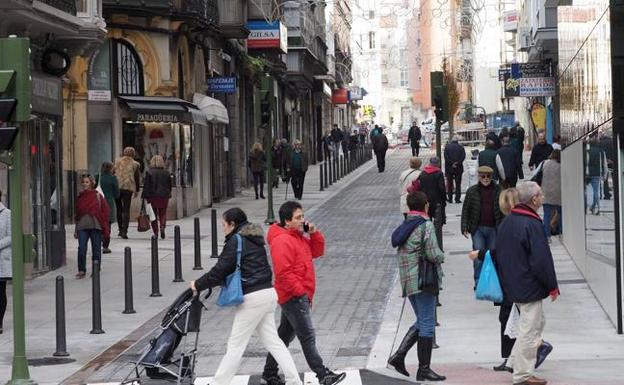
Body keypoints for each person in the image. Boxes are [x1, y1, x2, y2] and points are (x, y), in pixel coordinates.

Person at [189, 208, 302, 385]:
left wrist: (197, 284)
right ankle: (295, 380)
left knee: (235, 345)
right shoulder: (255, 238)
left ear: (232, 224)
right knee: (274, 342)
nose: (223, 228)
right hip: (268, 294)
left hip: (252, 298)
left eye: (224, 225)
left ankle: (219, 382)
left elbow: (220, 270)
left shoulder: (236, 240)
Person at [262, 201, 346, 385]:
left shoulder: (297, 236)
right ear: (286, 221)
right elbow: (283, 273)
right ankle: (322, 374)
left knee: (284, 335)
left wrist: (313, 232)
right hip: (293, 296)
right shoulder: (282, 241)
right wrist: (301, 293)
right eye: (298, 218)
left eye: (302, 216)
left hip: (297, 294)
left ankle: (269, 373)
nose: (302, 220)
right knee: (307, 336)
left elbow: (316, 251)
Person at [495, 181, 559, 385]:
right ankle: (522, 374)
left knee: (534, 324)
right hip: (528, 284)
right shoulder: (532, 223)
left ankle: (514, 362)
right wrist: (552, 285)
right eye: (540, 194)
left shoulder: (509, 221)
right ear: (533, 199)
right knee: (530, 330)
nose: (542, 197)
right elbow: (541, 259)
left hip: (514, 282)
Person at [388, 191, 446, 381]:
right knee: (427, 324)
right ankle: (424, 368)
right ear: (426, 205)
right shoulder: (425, 225)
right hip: (424, 280)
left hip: (409, 280)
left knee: (422, 320)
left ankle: (399, 356)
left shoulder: (406, 224)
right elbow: (433, 253)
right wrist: (442, 256)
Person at [466, 187, 520, 374]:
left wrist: (480, 254)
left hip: (513, 280)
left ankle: (513, 357)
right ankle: (511, 357)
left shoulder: (508, 224)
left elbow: (503, 252)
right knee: (511, 318)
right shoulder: (515, 223)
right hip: (515, 278)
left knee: (509, 318)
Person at [461, 166, 503, 285]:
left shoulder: (498, 190)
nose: (485, 179)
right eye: (483, 176)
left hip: (494, 228)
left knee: (493, 256)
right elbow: (466, 210)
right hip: (477, 228)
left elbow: (503, 209)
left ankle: (491, 280)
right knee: (478, 256)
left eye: (488, 176)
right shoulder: (472, 191)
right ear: (479, 177)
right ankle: (478, 281)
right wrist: (464, 227)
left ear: (492, 177)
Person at [74, 174, 110, 278]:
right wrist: (76, 229)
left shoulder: (98, 196)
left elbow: (105, 211)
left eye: (87, 182)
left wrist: (104, 226)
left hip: (95, 226)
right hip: (82, 226)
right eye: (83, 182)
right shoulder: (80, 197)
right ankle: (81, 270)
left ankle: (96, 269)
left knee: (96, 249)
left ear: (92, 183)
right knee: (81, 248)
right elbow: (77, 213)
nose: (85, 184)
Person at [418, 157, 447, 248]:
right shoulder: (438, 173)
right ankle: (437, 241)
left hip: (425, 200)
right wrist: (444, 199)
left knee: (427, 220)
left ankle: (428, 240)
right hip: (437, 200)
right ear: (438, 164)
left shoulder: (423, 173)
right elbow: (441, 188)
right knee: (439, 221)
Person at [142, 155, 173, 239]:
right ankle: (162, 227)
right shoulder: (166, 172)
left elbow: (146, 186)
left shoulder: (149, 172)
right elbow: (170, 185)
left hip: (152, 196)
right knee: (163, 213)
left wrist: (144, 196)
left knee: (153, 215)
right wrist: (168, 193)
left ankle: (156, 232)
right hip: (164, 196)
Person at [113, 146, 141, 239]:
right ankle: (125, 231)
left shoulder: (117, 162)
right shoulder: (135, 164)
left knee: (119, 209)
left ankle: (120, 229)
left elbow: (113, 173)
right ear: (133, 154)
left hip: (117, 187)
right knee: (126, 210)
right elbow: (137, 178)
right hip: (128, 188)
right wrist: (137, 190)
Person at [96, 162, 120, 253]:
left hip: (98, 203)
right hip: (109, 202)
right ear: (111, 168)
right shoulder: (113, 178)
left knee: (99, 223)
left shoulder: (97, 177)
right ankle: (105, 245)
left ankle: (100, 239)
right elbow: (117, 194)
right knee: (107, 224)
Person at [585, 137, 608, 215]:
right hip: (597, 174)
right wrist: (605, 175)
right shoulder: (601, 152)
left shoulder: (586, 151)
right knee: (596, 191)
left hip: (587, 174)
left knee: (586, 191)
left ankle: (587, 207)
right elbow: (604, 164)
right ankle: (596, 207)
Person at [541, 150, 561, 238]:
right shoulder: (561, 165)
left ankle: (547, 235)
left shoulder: (544, 163)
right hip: (558, 192)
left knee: (547, 215)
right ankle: (561, 232)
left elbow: (536, 173)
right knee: (560, 213)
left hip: (546, 192)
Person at [0, 189, 11, 334]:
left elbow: (11, 236)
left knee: (0, 291)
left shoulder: (7, 213)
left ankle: (0, 322)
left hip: (1, 257)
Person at [444, 135, 466, 203]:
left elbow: (446, 157)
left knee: (450, 184)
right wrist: (458, 163)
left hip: (449, 168)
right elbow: (463, 156)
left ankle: (450, 198)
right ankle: (457, 199)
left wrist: (451, 163)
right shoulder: (461, 147)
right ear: (457, 141)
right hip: (458, 168)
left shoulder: (447, 147)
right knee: (458, 184)